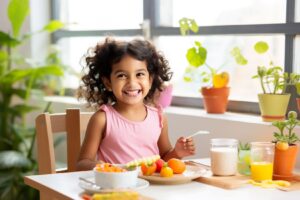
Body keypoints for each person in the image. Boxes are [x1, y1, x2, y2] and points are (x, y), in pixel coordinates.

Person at [76, 37, 196, 171]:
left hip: (152, 188)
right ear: (108, 82)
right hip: (117, 188)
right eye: (121, 75)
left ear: (150, 80)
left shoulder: (159, 117)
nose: (132, 83)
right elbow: (82, 163)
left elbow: (163, 160)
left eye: (139, 74)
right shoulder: (102, 119)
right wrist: (106, 167)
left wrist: (177, 153)